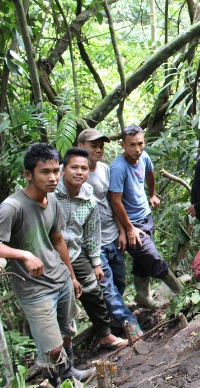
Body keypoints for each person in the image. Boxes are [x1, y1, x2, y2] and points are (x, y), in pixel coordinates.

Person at [0, 143, 94, 386]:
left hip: (60, 277)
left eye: (56, 171)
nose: (53, 177)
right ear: (28, 175)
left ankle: (69, 375)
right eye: (45, 172)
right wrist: (23, 254)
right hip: (34, 289)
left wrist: (72, 276)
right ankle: (59, 381)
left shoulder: (52, 201)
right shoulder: (13, 206)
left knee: (66, 334)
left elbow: (58, 240)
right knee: (52, 348)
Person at [55, 147, 127, 351]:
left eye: (84, 168)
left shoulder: (89, 199)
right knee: (60, 300)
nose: (79, 172)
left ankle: (105, 335)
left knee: (94, 290)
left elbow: (92, 233)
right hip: (51, 254)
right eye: (74, 167)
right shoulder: (51, 194)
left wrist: (96, 262)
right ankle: (59, 355)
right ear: (63, 169)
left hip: (75, 252)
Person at [77, 128, 143, 339]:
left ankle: (112, 319)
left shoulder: (106, 169)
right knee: (107, 288)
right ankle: (131, 325)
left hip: (112, 235)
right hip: (91, 244)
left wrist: (123, 231)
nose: (98, 150)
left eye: (101, 146)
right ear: (80, 147)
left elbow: (113, 202)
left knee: (119, 282)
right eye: (93, 145)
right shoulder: (70, 172)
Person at [109, 125, 182, 309]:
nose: (137, 149)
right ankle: (181, 292)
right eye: (132, 145)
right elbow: (115, 202)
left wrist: (153, 194)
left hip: (145, 216)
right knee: (153, 258)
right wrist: (128, 228)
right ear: (122, 144)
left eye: (140, 144)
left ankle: (142, 296)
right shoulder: (118, 168)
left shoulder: (144, 157)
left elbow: (150, 173)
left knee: (143, 260)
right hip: (132, 223)